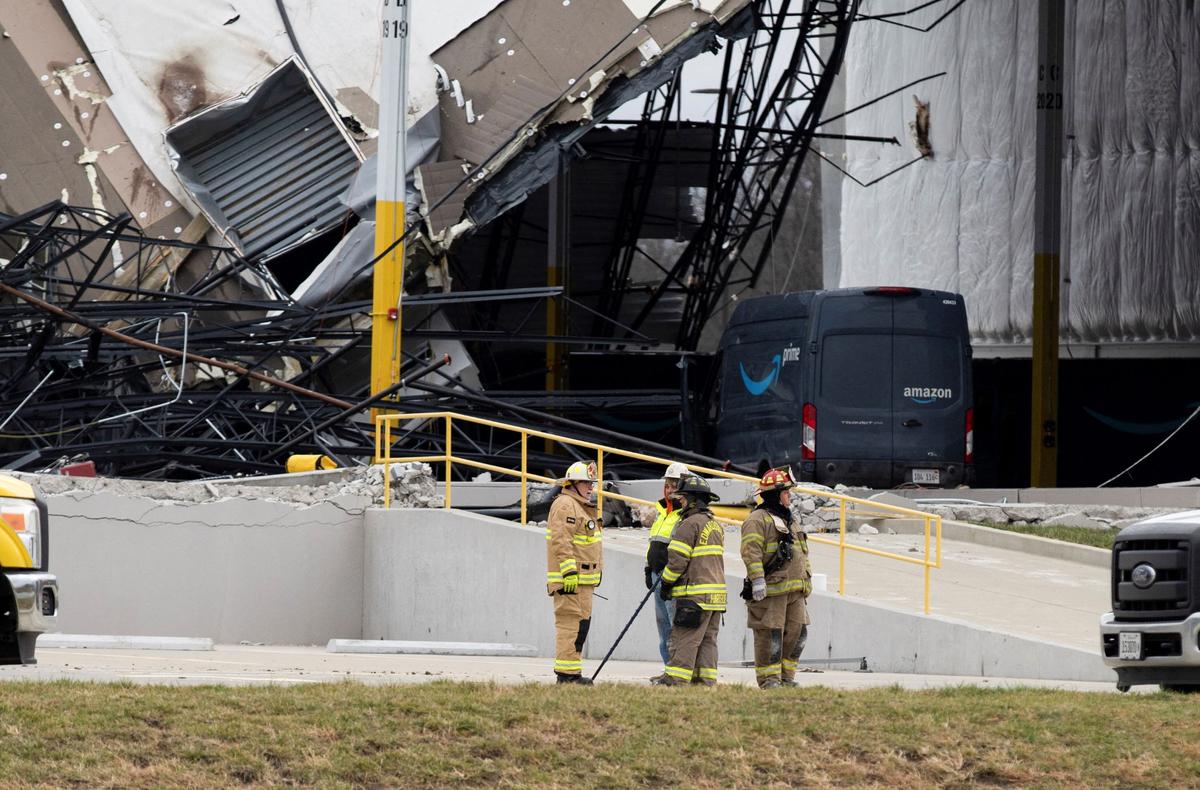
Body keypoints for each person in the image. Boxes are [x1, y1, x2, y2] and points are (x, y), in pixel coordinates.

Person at [740, 466, 813, 689]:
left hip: (795, 590)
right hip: (771, 591)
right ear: (775, 494)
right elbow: (750, 551)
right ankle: (769, 679)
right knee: (769, 635)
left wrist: (806, 579)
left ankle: (786, 678)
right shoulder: (757, 520)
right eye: (786, 492)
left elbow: (802, 551)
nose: (790, 496)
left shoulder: (790, 520)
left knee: (798, 633)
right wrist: (757, 579)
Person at [651, 475, 726, 686]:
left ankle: (676, 680)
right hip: (716, 597)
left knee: (685, 637)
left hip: (694, 594)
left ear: (692, 500)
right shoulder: (715, 526)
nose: (680, 502)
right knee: (707, 641)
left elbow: (676, 562)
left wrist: (665, 584)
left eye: (683, 498)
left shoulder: (687, 525)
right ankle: (705, 682)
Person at [545, 460, 603, 684]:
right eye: (586, 483)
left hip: (583, 583)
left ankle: (572, 672)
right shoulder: (565, 505)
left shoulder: (580, 506)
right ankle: (567, 676)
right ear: (572, 484)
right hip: (571, 582)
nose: (590, 488)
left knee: (580, 628)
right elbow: (561, 540)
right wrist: (569, 573)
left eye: (592, 484)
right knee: (570, 626)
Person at [645, 462, 689, 669]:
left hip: (673, 578)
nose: (670, 490)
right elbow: (654, 541)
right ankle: (668, 668)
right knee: (663, 626)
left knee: (675, 625)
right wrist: (648, 568)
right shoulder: (662, 511)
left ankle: (678, 669)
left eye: (675, 485)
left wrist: (671, 577)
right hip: (657, 576)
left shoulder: (686, 515)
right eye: (668, 485)